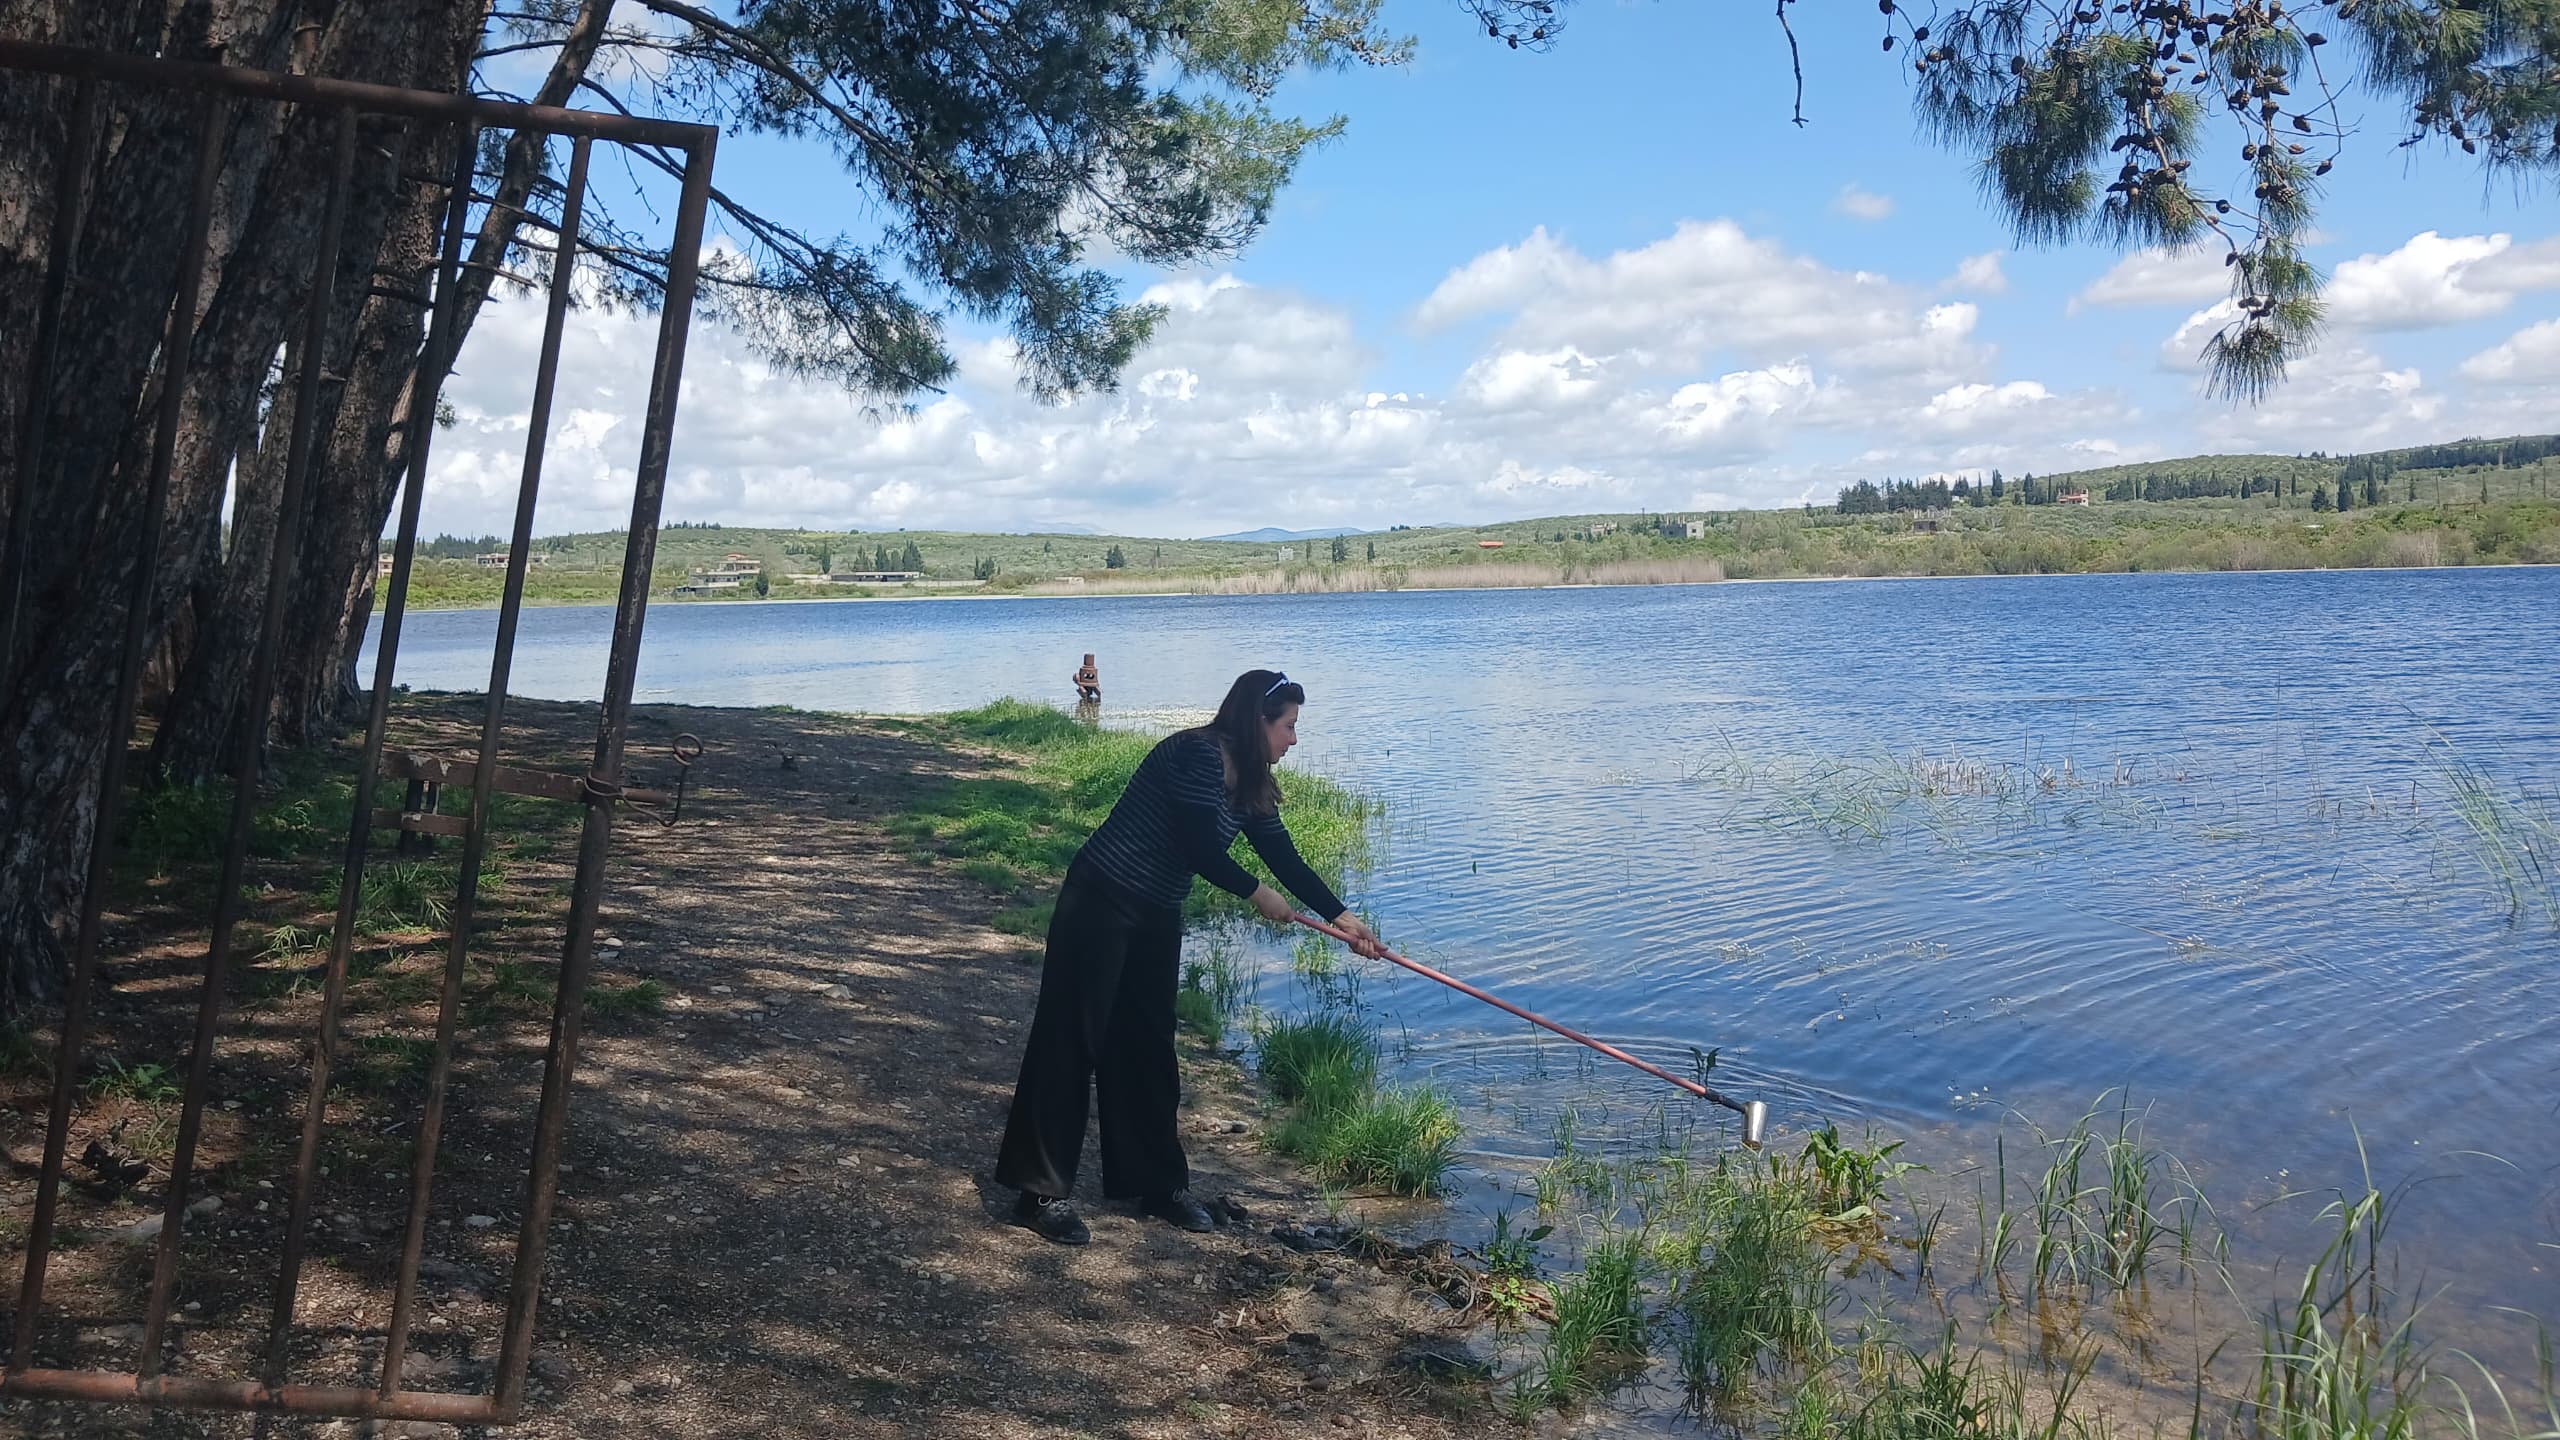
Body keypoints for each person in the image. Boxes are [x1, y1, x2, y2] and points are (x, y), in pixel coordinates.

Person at [994, 669, 1381, 1244]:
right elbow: (1200, 848)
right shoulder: (1194, 755)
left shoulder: (1252, 780)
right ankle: (1040, 1191)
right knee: (1072, 1040)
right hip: (1101, 898)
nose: (1294, 740)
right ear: (1259, 723)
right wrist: (1257, 894)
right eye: (1290, 727)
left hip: (1155, 910)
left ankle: (1157, 1184)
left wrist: (1342, 918)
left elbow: (1285, 856)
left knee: (1148, 1044)